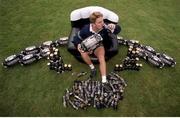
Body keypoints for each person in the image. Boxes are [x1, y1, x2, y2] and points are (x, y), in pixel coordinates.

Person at [72, 12, 121, 83]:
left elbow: (118, 30)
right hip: (90, 46)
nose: (102, 23)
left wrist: (114, 26)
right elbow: (76, 38)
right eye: (99, 22)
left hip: (100, 45)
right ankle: (92, 68)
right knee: (82, 52)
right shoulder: (86, 29)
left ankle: (104, 80)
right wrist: (79, 45)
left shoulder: (105, 27)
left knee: (101, 57)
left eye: (102, 21)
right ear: (93, 24)